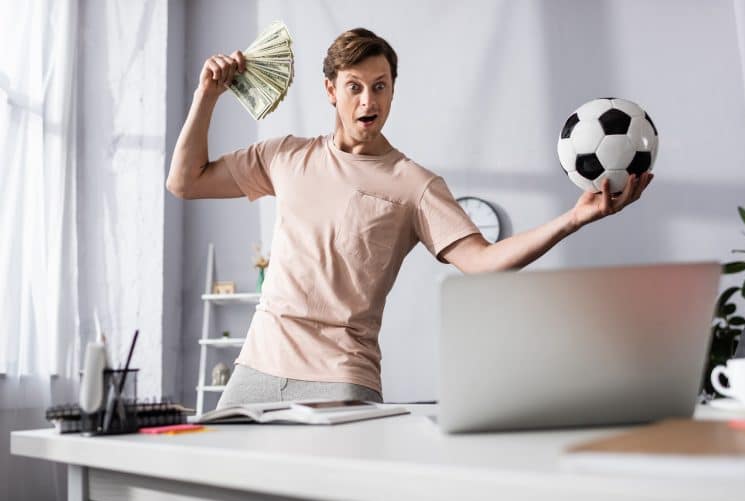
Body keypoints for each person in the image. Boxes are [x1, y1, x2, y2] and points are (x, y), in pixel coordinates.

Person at [167, 28, 653, 408]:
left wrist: (572, 219)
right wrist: (207, 94)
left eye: (380, 87)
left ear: (393, 90)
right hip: (256, 367)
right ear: (330, 90)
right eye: (355, 87)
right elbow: (185, 182)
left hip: (341, 378)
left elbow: (483, 262)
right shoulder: (284, 156)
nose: (368, 101)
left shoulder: (414, 184)